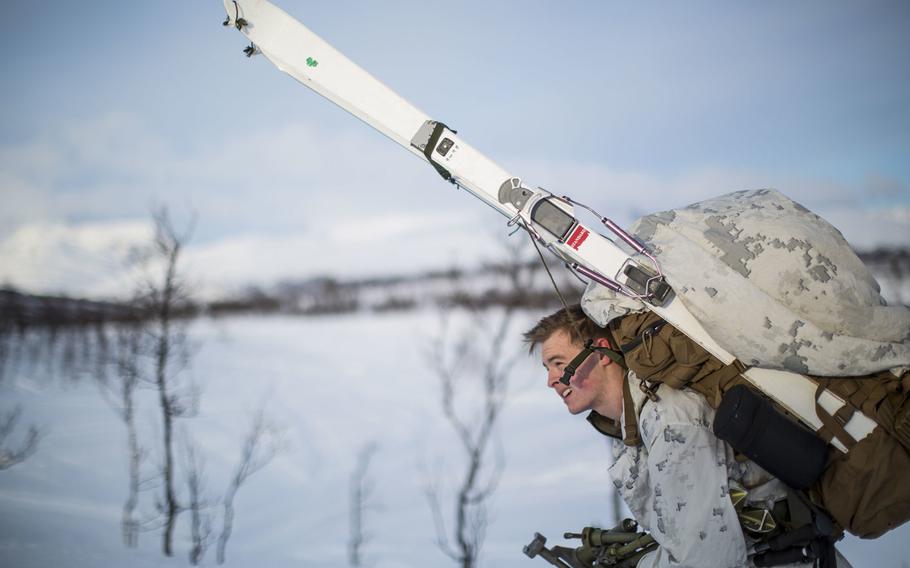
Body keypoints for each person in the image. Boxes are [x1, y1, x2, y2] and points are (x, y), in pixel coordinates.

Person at [523, 303, 822, 568]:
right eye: (547, 368)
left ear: (600, 353)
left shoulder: (670, 419)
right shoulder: (631, 427)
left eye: (559, 364)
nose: (551, 381)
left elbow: (707, 559)